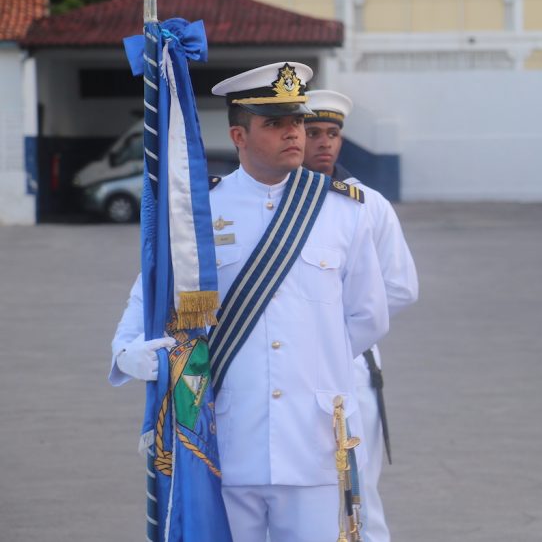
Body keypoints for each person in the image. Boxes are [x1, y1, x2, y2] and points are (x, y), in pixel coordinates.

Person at [109, 62, 390, 542]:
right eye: (274, 123)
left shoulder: (346, 211)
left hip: (315, 438)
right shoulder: (201, 210)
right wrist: (129, 348)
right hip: (224, 435)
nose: (293, 134)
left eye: (297, 121)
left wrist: (313, 363)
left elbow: (367, 316)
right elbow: (150, 291)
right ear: (239, 134)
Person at [303, 88, 419, 542]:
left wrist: (334, 332)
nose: (325, 143)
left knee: (358, 491)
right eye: (313, 133)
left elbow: (401, 287)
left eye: (333, 133)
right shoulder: (267, 201)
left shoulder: (368, 204)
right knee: (294, 492)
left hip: (350, 363)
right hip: (281, 369)